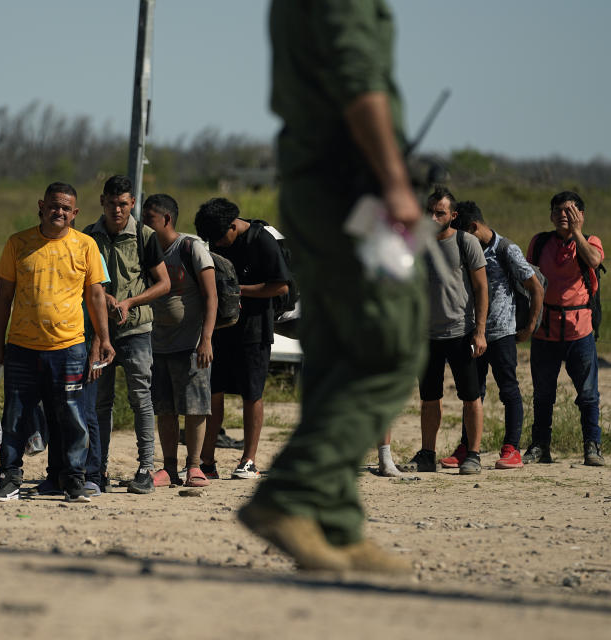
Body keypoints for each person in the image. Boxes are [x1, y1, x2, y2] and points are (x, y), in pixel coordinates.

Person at [238, 0, 428, 573]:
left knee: (335, 350)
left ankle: (334, 524)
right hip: (354, 184)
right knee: (392, 345)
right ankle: (291, 494)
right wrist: (396, 182)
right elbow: (357, 81)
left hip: (316, 180)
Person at [0, 182, 115, 503]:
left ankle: (74, 480)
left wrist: (102, 338)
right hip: (22, 347)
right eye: (53, 206)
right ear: (41, 206)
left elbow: (96, 294)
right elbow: (4, 296)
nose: (58, 212)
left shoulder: (86, 246)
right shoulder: (18, 244)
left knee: (72, 416)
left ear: (75, 214)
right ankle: (10, 478)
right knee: (17, 415)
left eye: (65, 208)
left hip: (70, 348)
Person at [84, 175, 170, 495]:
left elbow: (163, 283)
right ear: (102, 202)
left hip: (136, 329)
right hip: (98, 330)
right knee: (100, 402)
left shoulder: (145, 236)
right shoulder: (88, 237)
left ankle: (145, 468)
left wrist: (131, 300)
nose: (117, 209)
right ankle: (98, 468)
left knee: (141, 399)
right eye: (112, 203)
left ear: (132, 203)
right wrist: (102, 298)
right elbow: (82, 280)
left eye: (123, 203)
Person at [193, 198, 289, 480]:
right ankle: (207, 461)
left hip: (254, 331)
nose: (218, 244)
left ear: (233, 226)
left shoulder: (263, 241)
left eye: (220, 238)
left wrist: (240, 291)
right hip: (221, 329)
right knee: (213, 393)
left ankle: (248, 460)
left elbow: (281, 285)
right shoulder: (218, 241)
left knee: (252, 394)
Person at [450, 200, 544, 469]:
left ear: (473, 227)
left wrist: (528, 328)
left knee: (509, 390)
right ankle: (467, 447)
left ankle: (512, 448)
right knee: (472, 393)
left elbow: (535, 288)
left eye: (463, 234)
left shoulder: (506, 250)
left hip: (503, 334)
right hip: (473, 333)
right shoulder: (468, 251)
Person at [401, 187, 488, 475]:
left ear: (453, 215)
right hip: (426, 336)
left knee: (471, 396)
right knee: (429, 398)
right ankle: (427, 454)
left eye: (440, 212)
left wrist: (480, 331)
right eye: (430, 211)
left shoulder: (466, 243)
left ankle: (473, 454)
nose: (433, 217)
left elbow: (481, 288)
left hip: (461, 332)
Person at [523, 191, 605, 466]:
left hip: (579, 331)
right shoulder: (540, 242)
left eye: (570, 211)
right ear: (550, 215)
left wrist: (577, 233)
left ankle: (592, 446)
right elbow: (528, 279)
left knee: (588, 394)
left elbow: (594, 260)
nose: (563, 216)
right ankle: (540, 446)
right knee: (543, 394)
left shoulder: (590, 241)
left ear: (581, 215)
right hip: (544, 330)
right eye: (558, 210)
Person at [142, 193, 218, 488]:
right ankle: (169, 469)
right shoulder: (147, 249)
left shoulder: (190, 247)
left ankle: (195, 466)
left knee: (196, 407)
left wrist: (207, 339)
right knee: (165, 408)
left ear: (167, 219)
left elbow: (211, 295)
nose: (145, 226)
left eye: (150, 220)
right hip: (158, 342)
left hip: (192, 344)